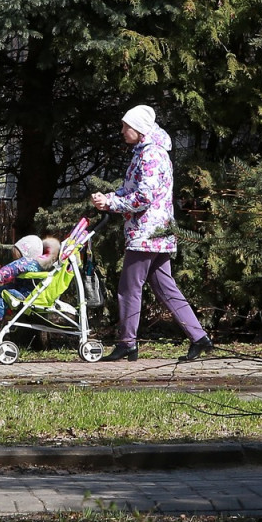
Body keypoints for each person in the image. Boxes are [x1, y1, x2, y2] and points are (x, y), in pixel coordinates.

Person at [91, 105, 213, 362]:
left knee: (128, 288)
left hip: (146, 233)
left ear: (139, 129)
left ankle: (127, 343)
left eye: (126, 126)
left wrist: (112, 204)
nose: (123, 131)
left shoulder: (150, 155)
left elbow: (144, 197)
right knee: (166, 288)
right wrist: (109, 198)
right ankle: (200, 338)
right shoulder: (148, 152)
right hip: (157, 232)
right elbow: (133, 190)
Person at [0, 235, 62, 331]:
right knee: (1, 290)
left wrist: (3, 274)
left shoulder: (29, 262)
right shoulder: (35, 264)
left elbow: (15, 267)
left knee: (3, 293)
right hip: (24, 291)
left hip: (28, 295)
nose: (15, 259)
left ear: (26, 253)